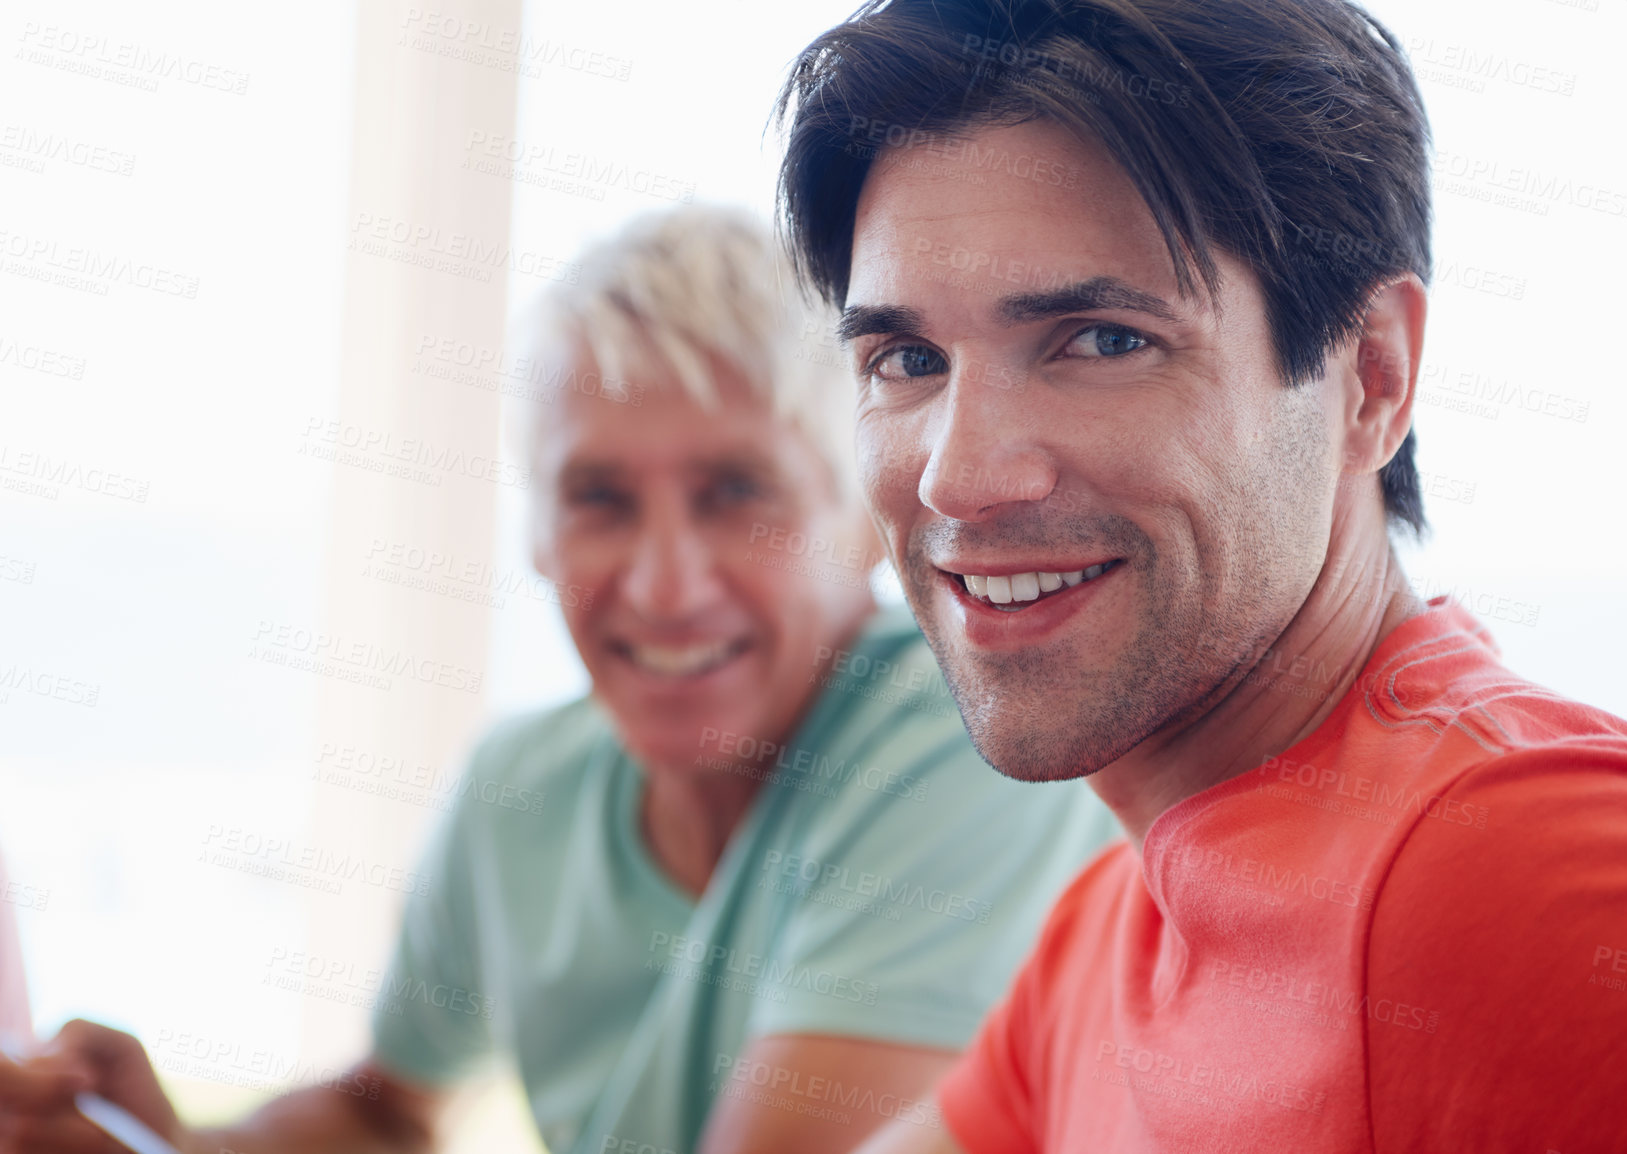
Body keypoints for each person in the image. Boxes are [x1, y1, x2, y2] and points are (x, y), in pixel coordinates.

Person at [772, 1, 1627, 1151]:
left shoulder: (1525, 878)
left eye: (1101, 339)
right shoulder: (1107, 933)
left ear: (1370, 376)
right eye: (907, 359)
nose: (959, 476)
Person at [0, 207, 1118, 1154]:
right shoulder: (520, 785)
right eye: (599, 499)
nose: (665, 582)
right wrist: (170, 1139)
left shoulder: (956, 730)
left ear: (859, 523)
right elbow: (384, 1111)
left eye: (736, 491)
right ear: (536, 533)